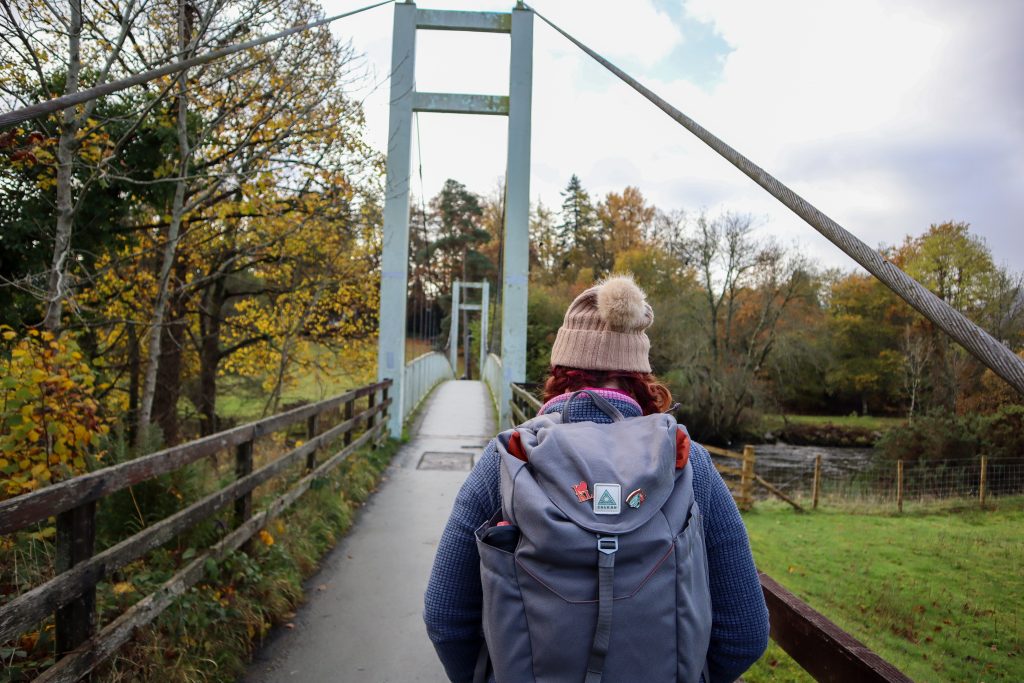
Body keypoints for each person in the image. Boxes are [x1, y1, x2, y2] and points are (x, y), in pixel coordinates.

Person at [424, 274, 769, 682]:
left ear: (559, 370)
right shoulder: (688, 462)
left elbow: (445, 616)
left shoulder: (509, 459)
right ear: (641, 376)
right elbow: (745, 633)